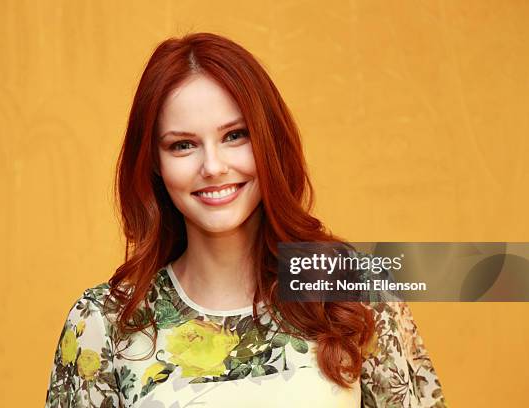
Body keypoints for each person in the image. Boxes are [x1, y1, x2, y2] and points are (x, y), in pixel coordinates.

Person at [44, 32, 446, 408]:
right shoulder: (106, 323)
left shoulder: (352, 294)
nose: (213, 166)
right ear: (154, 163)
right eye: (183, 145)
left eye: (234, 135)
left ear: (268, 140)